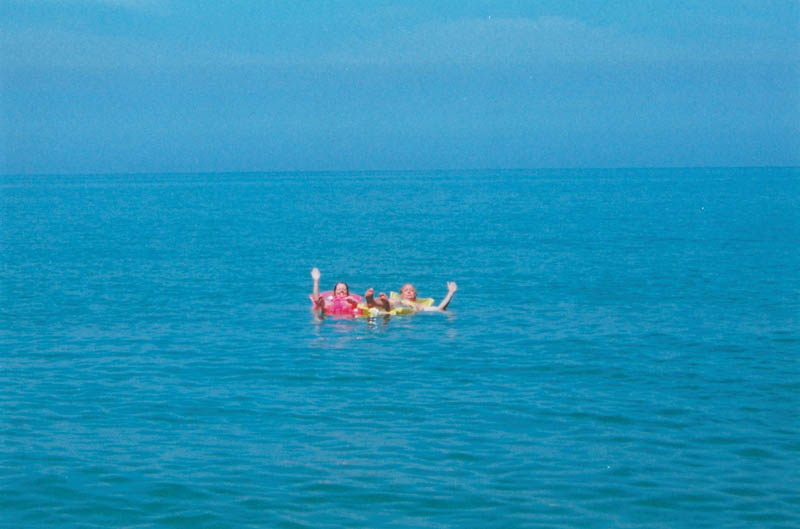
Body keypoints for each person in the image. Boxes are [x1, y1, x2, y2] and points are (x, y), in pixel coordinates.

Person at [365, 281, 457, 312]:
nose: (409, 292)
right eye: (406, 290)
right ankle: (371, 301)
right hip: (394, 302)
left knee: (396, 302)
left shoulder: (420, 305)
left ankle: (383, 303)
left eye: (412, 291)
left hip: (406, 307)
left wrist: (450, 293)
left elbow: (439, 308)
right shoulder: (397, 298)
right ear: (401, 294)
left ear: (416, 295)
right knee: (393, 301)